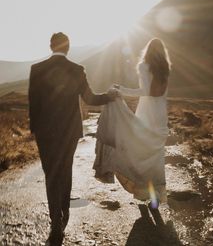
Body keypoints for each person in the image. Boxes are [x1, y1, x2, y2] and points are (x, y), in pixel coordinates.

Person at [28, 32, 117, 246]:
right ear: (68, 48)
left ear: (51, 46)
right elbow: (91, 98)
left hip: (45, 133)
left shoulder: (36, 70)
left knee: (51, 175)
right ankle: (64, 215)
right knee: (65, 171)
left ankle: (55, 223)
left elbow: (33, 105)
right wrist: (110, 96)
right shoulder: (77, 70)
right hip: (69, 132)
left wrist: (35, 131)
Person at [94, 38, 171, 206]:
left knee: (139, 150)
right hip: (160, 114)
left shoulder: (144, 66)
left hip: (148, 112)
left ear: (148, 50)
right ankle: (155, 193)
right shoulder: (165, 69)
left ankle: (142, 191)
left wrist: (121, 91)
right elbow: (158, 93)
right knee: (155, 154)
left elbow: (144, 91)